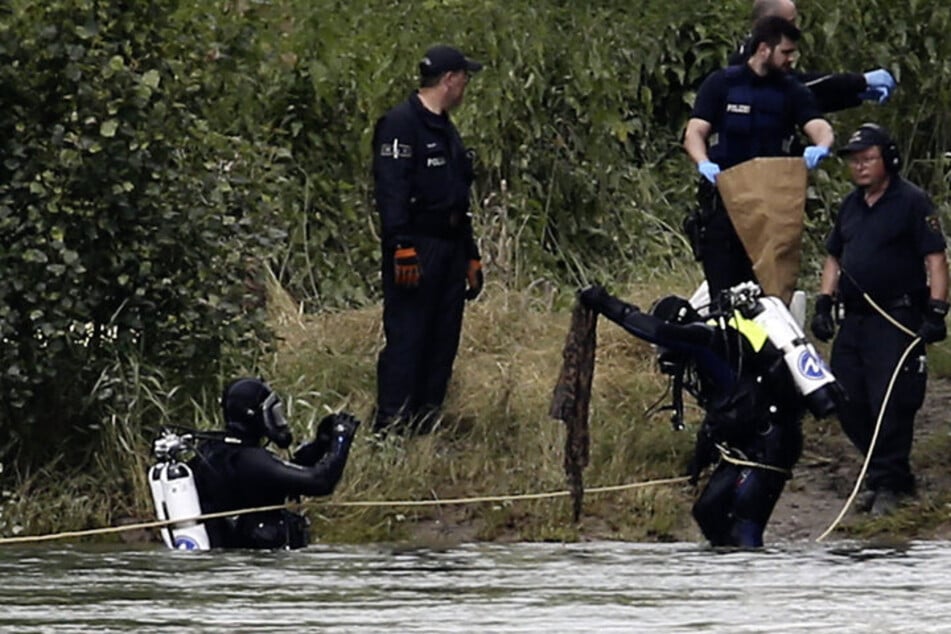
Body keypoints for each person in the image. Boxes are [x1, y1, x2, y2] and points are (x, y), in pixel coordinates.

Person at [579, 283, 824, 548]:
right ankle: (725, 577)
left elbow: (656, 331)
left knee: (744, 517)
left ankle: (754, 573)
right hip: (748, 444)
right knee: (708, 511)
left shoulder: (705, 339)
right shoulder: (710, 356)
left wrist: (605, 303)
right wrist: (701, 455)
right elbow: (724, 409)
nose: (663, 355)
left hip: (771, 444)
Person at [811, 123, 949, 516]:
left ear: (887, 159)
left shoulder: (913, 202)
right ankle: (883, 472)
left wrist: (938, 311)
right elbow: (834, 255)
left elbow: (936, 259)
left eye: (867, 158)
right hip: (854, 318)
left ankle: (890, 482)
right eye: (854, 161)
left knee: (892, 399)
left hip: (897, 315)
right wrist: (824, 302)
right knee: (845, 396)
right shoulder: (851, 205)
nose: (860, 167)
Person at [371, 44, 485, 436]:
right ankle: (391, 427)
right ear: (450, 79)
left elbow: (457, 195)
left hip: (450, 245)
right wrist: (400, 244)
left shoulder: (445, 128)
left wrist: (470, 253)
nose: (466, 86)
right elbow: (391, 189)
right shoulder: (401, 124)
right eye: (464, 78)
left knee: (442, 339)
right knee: (408, 336)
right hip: (416, 246)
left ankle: (425, 423)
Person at [683, 15, 834, 305]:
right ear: (764, 48)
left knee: (768, 296)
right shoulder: (722, 84)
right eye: (786, 52)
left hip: (770, 209)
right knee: (724, 296)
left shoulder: (791, 91)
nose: (792, 59)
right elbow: (694, 132)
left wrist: (821, 146)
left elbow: (820, 127)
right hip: (726, 201)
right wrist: (703, 163)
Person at [188, 378, 360, 549]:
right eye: (273, 412)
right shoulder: (249, 459)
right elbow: (320, 482)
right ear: (254, 415)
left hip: (233, 559)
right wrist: (341, 440)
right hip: (258, 565)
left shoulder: (215, 452)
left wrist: (319, 445)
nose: (278, 420)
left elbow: (281, 477)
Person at [731, 0, 897, 113]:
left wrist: (855, 96)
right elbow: (800, 86)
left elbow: (804, 100)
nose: (795, 28)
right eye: (791, 22)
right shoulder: (747, 61)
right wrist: (860, 81)